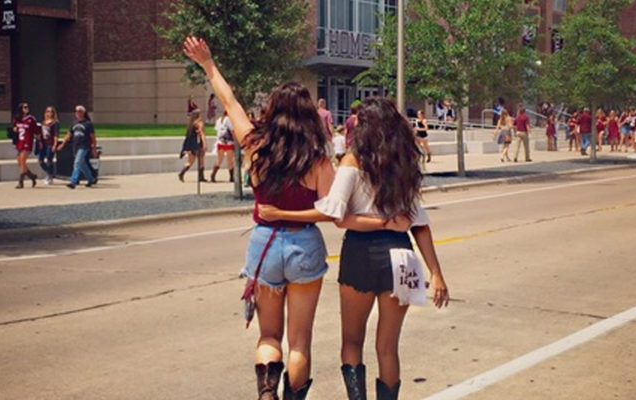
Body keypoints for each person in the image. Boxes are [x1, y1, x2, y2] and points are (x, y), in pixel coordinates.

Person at [183, 36, 383, 399]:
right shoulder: (318, 159)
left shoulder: (254, 144)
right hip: (304, 244)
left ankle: (265, 391)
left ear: (272, 111)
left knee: (268, 336)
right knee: (299, 342)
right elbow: (332, 211)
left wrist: (208, 63)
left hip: (264, 244)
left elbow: (230, 102)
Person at [258, 97, 449, 400]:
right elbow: (419, 224)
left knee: (351, 342)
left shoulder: (352, 161)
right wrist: (436, 273)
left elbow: (337, 217)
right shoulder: (404, 164)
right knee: (388, 348)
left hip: (361, 254)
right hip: (401, 255)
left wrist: (377, 223)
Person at [57, 105, 98, 189]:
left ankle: (73, 181)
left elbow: (92, 137)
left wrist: (94, 148)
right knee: (82, 164)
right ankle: (91, 179)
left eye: (79, 111)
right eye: (76, 111)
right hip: (75, 146)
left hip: (84, 146)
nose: (77, 113)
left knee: (77, 163)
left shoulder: (88, 124)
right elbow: (68, 135)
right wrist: (62, 144)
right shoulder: (74, 123)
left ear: (83, 112)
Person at [11, 102, 39, 189]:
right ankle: (32, 176)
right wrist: (14, 129)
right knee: (20, 163)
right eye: (25, 107)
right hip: (19, 142)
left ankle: (21, 181)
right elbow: (15, 127)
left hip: (27, 142)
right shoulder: (17, 119)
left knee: (23, 161)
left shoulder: (31, 119)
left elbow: (36, 131)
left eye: (27, 107)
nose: (27, 108)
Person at [178, 108, 208, 182]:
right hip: (198, 144)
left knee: (190, 161)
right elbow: (201, 134)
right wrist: (205, 144)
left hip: (191, 145)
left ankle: (182, 173)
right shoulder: (199, 123)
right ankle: (200, 176)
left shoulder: (191, 124)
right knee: (201, 160)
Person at [37, 106, 59, 185]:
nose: (49, 113)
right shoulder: (43, 122)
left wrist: (55, 144)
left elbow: (56, 134)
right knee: (40, 160)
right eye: (48, 111)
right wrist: (40, 142)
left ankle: (49, 176)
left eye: (51, 112)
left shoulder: (55, 123)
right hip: (43, 144)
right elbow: (41, 133)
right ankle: (50, 172)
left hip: (50, 143)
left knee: (49, 160)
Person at [211, 111, 235, 182]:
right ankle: (231, 177)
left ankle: (213, 174)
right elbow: (232, 130)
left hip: (220, 142)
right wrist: (235, 139)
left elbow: (217, 130)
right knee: (230, 160)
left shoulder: (219, 120)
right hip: (228, 142)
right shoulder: (228, 120)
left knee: (219, 160)